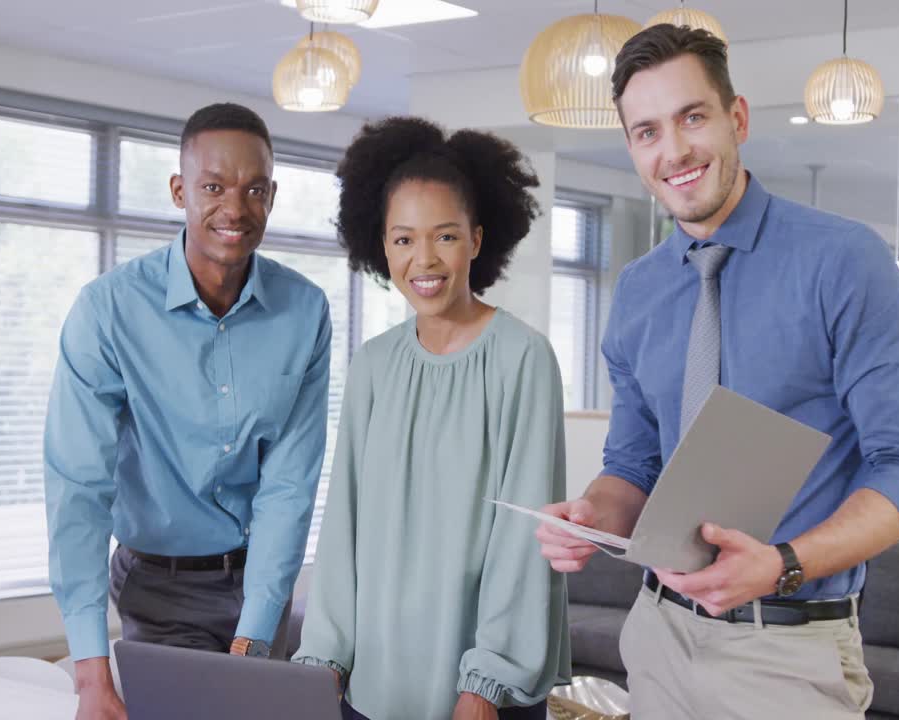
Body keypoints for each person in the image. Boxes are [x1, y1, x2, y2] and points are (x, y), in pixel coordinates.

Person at [534, 25, 899, 720]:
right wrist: (590, 518)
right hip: (659, 637)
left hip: (787, 649)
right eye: (647, 132)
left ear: (738, 119)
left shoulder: (844, 261)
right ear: (633, 147)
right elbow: (633, 466)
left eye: (692, 117)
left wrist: (782, 562)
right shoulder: (636, 291)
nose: (673, 151)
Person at [44, 103, 332, 720]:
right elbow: (79, 489)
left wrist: (256, 634)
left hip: (262, 583)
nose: (235, 208)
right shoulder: (109, 311)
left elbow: (289, 486)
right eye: (214, 187)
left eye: (254, 189)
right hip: (160, 588)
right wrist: (90, 671)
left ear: (272, 196)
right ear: (180, 191)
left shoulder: (305, 311)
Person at [292, 117, 571, 720]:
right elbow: (344, 522)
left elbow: (524, 534)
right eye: (403, 239)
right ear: (382, 246)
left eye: (445, 236)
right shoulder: (373, 364)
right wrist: (324, 658)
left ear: (476, 240)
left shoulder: (523, 358)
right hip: (373, 684)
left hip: (478, 692)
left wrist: (486, 680)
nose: (424, 259)